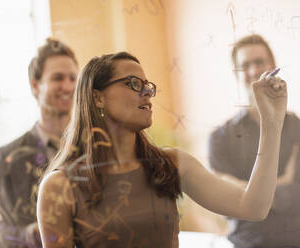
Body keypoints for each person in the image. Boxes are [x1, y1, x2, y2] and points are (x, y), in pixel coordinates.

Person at [37, 51, 287, 248]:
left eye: (148, 86)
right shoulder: (60, 187)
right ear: (97, 98)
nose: (147, 92)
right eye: (133, 84)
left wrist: (272, 123)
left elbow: (253, 207)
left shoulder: (172, 164)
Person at [209, 34, 300, 248]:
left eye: (259, 62)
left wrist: (243, 192)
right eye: (245, 65)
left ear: (273, 66)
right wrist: (282, 183)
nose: (253, 71)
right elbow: (223, 203)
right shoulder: (220, 138)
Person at [0, 38, 78, 247]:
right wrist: (33, 233)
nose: (68, 86)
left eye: (73, 78)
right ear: (35, 85)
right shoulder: (9, 158)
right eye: (58, 78)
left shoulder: (96, 147)